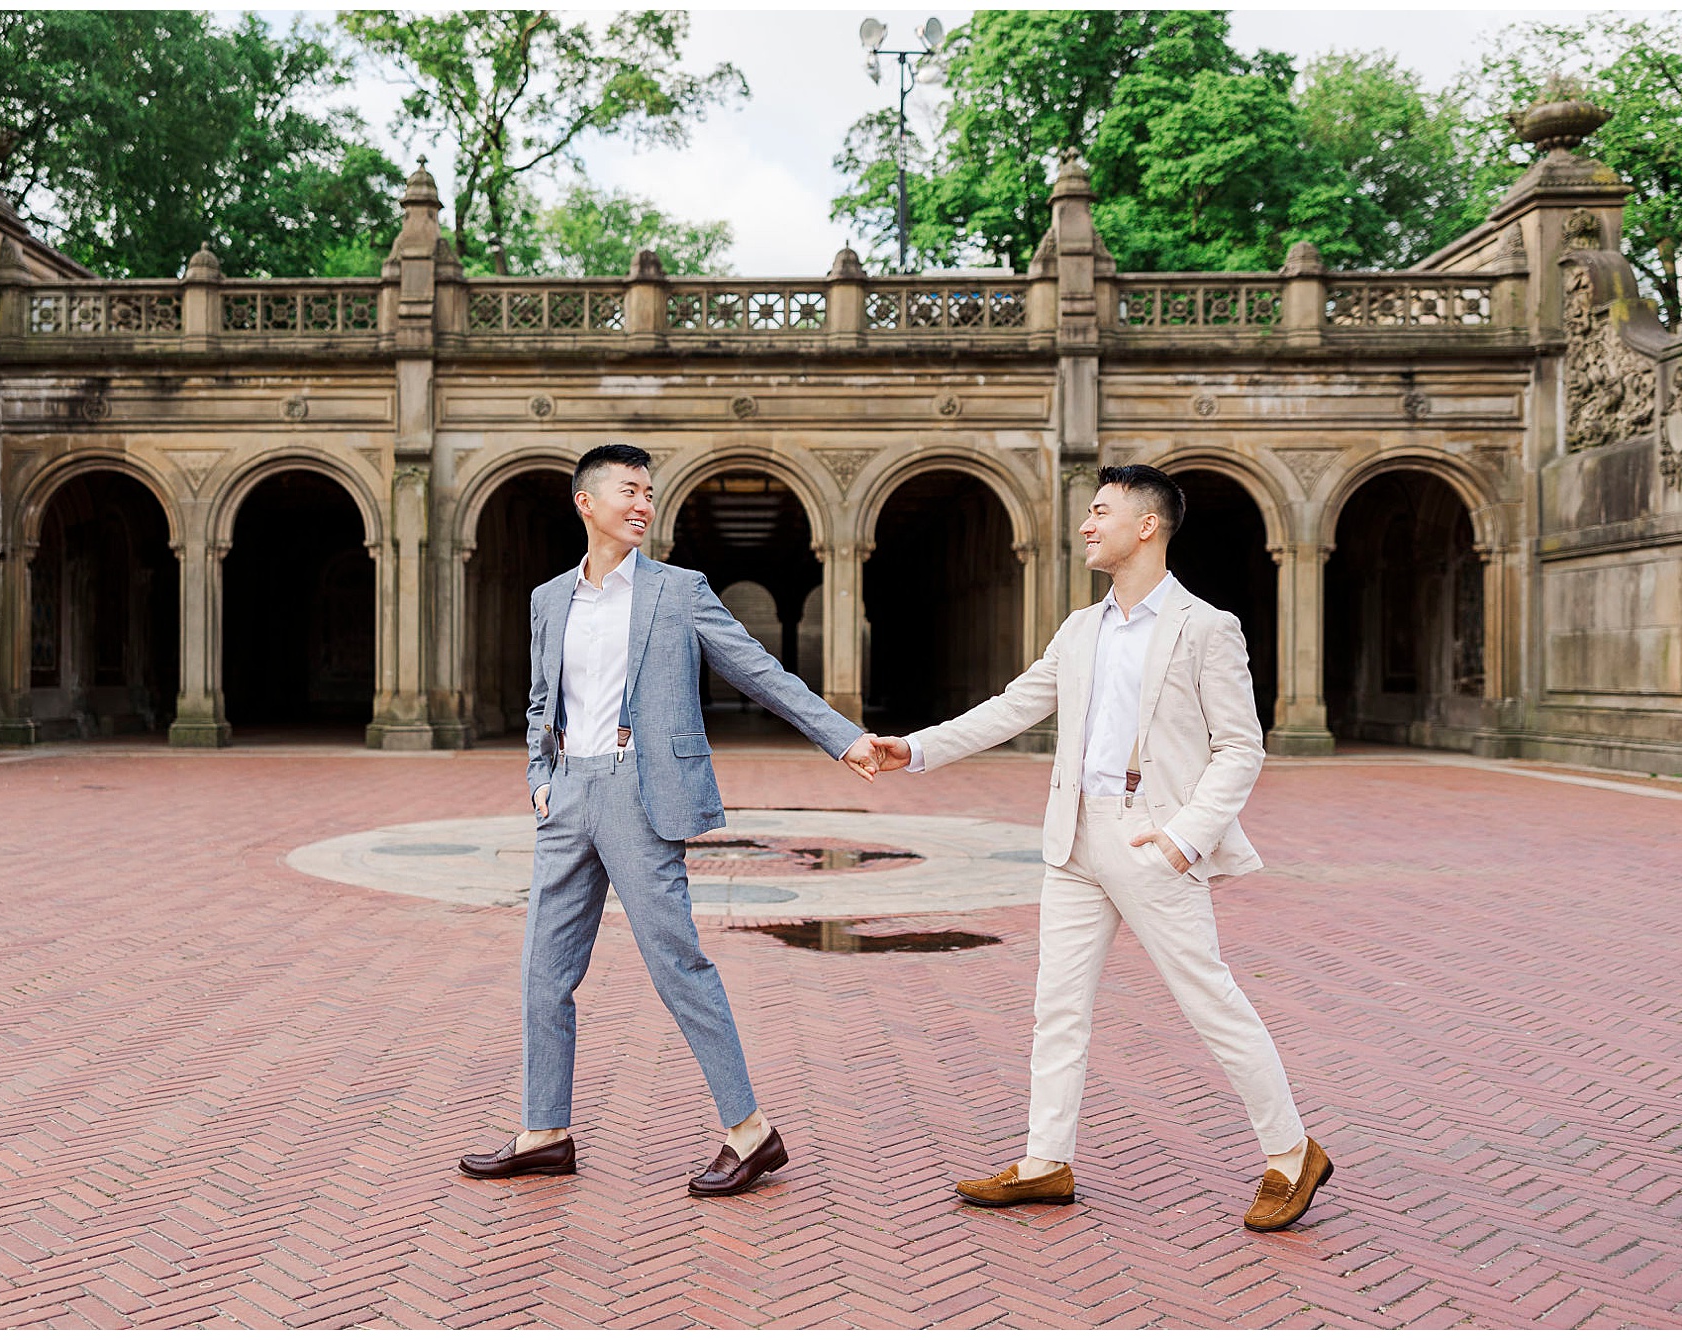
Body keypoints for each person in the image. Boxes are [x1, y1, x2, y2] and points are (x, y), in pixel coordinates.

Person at [869, 463, 1332, 1232]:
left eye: (1100, 512)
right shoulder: (1081, 628)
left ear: (1146, 525)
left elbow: (1241, 749)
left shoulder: (1206, 627)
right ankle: (1047, 1162)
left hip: (1151, 836)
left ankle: (1290, 1153)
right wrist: (911, 752)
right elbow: (1012, 707)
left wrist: (1185, 837)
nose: (1085, 525)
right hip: (1074, 834)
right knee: (1058, 1006)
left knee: (1208, 999)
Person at [459, 443, 881, 1197]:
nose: (645, 505)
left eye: (650, 493)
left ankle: (750, 1133)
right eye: (631, 491)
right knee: (542, 974)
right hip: (567, 796)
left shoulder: (678, 590)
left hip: (639, 792)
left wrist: (840, 736)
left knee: (677, 964)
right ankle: (545, 1131)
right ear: (586, 503)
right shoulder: (550, 599)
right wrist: (538, 778)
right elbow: (537, 701)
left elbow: (755, 669)